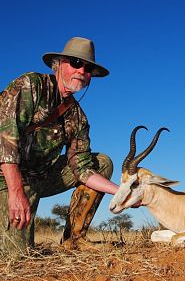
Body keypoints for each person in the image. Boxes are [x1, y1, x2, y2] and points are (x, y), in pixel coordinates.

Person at [0, 37, 119, 255]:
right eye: (75, 62)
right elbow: (5, 138)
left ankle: (74, 239)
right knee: (17, 257)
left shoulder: (78, 118)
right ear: (58, 64)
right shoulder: (30, 85)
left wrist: (122, 193)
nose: (82, 70)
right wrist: (16, 192)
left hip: (40, 178)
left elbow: (82, 168)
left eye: (88, 67)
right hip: (8, 180)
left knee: (101, 163)